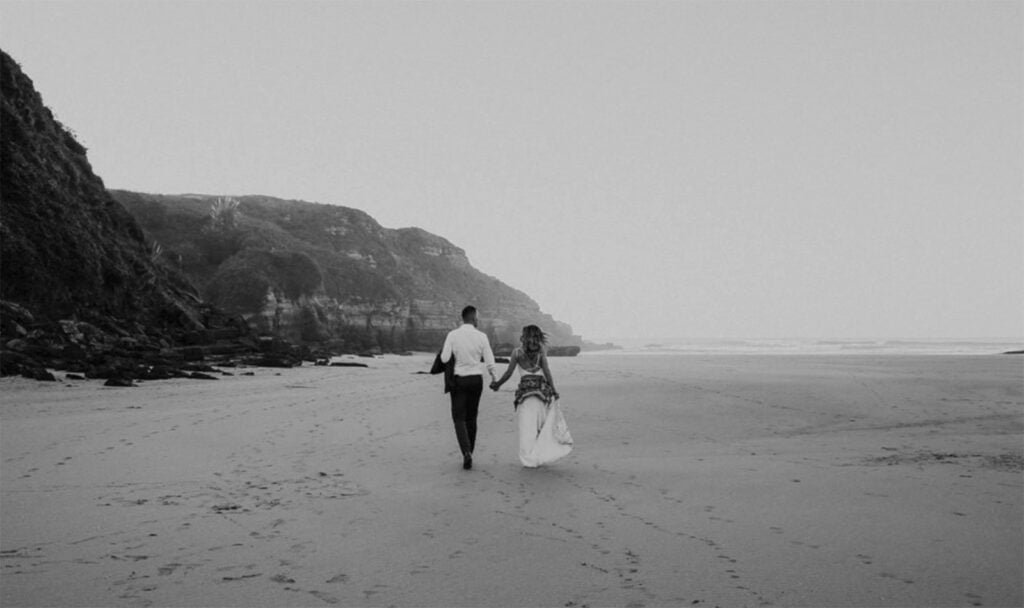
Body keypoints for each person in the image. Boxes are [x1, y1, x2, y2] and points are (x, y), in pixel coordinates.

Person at [490, 325, 573, 468]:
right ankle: (539, 455)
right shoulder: (541, 352)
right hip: (542, 396)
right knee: (540, 428)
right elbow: (547, 372)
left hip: (525, 397)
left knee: (526, 429)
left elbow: (508, 373)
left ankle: (529, 459)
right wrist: (554, 390)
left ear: (524, 336)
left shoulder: (517, 353)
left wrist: (497, 384)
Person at [440, 305, 497, 470]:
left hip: (459, 380)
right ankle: (470, 451)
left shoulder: (453, 335)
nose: (478, 319)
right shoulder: (482, 336)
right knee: (472, 418)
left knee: (459, 418)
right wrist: (494, 378)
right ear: (473, 318)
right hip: (476, 380)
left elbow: (444, 359)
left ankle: (466, 453)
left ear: (462, 318)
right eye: (477, 317)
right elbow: (489, 360)